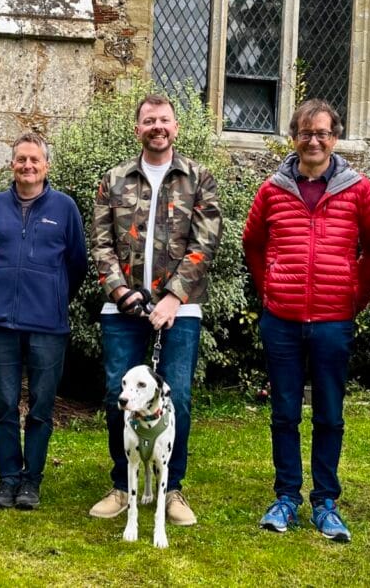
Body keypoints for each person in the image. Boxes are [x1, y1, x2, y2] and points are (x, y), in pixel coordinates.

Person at [242, 99, 370, 541]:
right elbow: (253, 243)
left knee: (329, 414)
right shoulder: (272, 189)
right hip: (281, 319)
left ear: (335, 138)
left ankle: (326, 501)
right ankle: (286, 496)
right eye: (305, 133)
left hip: (332, 321)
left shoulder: (359, 189)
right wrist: (269, 290)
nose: (314, 140)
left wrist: (354, 297)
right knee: (284, 412)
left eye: (322, 133)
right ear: (294, 138)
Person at [88, 94, 222, 527]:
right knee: (118, 395)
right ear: (137, 129)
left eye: (164, 120)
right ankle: (122, 486)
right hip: (121, 308)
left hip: (179, 310)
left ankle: (173, 489)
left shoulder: (199, 178)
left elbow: (205, 244)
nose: (157, 127)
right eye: (149, 121)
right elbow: (101, 242)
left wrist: (172, 298)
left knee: (176, 397)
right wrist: (120, 292)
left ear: (176, 128)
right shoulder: (113, 179)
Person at [0, 132, 87, 510]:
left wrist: (54, 297)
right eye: (21, 159)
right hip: (1, 323)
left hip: (47, 325)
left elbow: (77, 264)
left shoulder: (65, 207)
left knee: (41, 404)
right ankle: (7, 479)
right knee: (5, 403)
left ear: (46, 165)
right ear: (12, 164)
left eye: (34, 160)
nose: (27, 166)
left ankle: (31, 482)